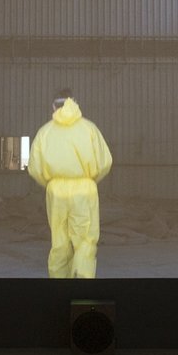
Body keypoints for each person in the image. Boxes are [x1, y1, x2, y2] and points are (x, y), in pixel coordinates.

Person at [26, 87, 114, 279]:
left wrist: (51, 183)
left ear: (53, 106)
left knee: (59, 241)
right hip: (85, 190)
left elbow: (34, 168)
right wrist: (89, 180)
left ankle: (58, 281)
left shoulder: (44, 132)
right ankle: (82, 279)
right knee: (85, 240)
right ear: (75, 103)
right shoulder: (89, 129)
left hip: (56, 191)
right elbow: (105, 162)